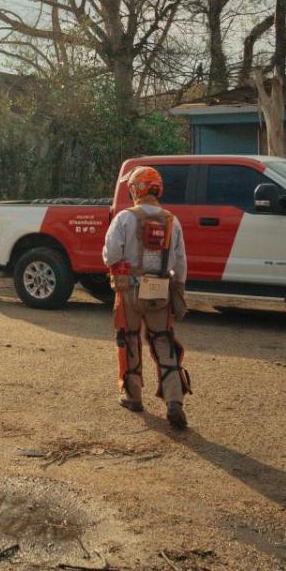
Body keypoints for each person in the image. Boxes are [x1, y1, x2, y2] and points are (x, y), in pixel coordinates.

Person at [102, 166, 191, 429]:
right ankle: (174, 400)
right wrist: (179, 290)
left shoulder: (124, 219)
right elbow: (181, 263)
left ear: (136, 189)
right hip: (160, 290)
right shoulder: (172, 221)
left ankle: (132, 396)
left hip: (128, 290)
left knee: (128, 339)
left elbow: (110, 255)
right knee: (163, 342)